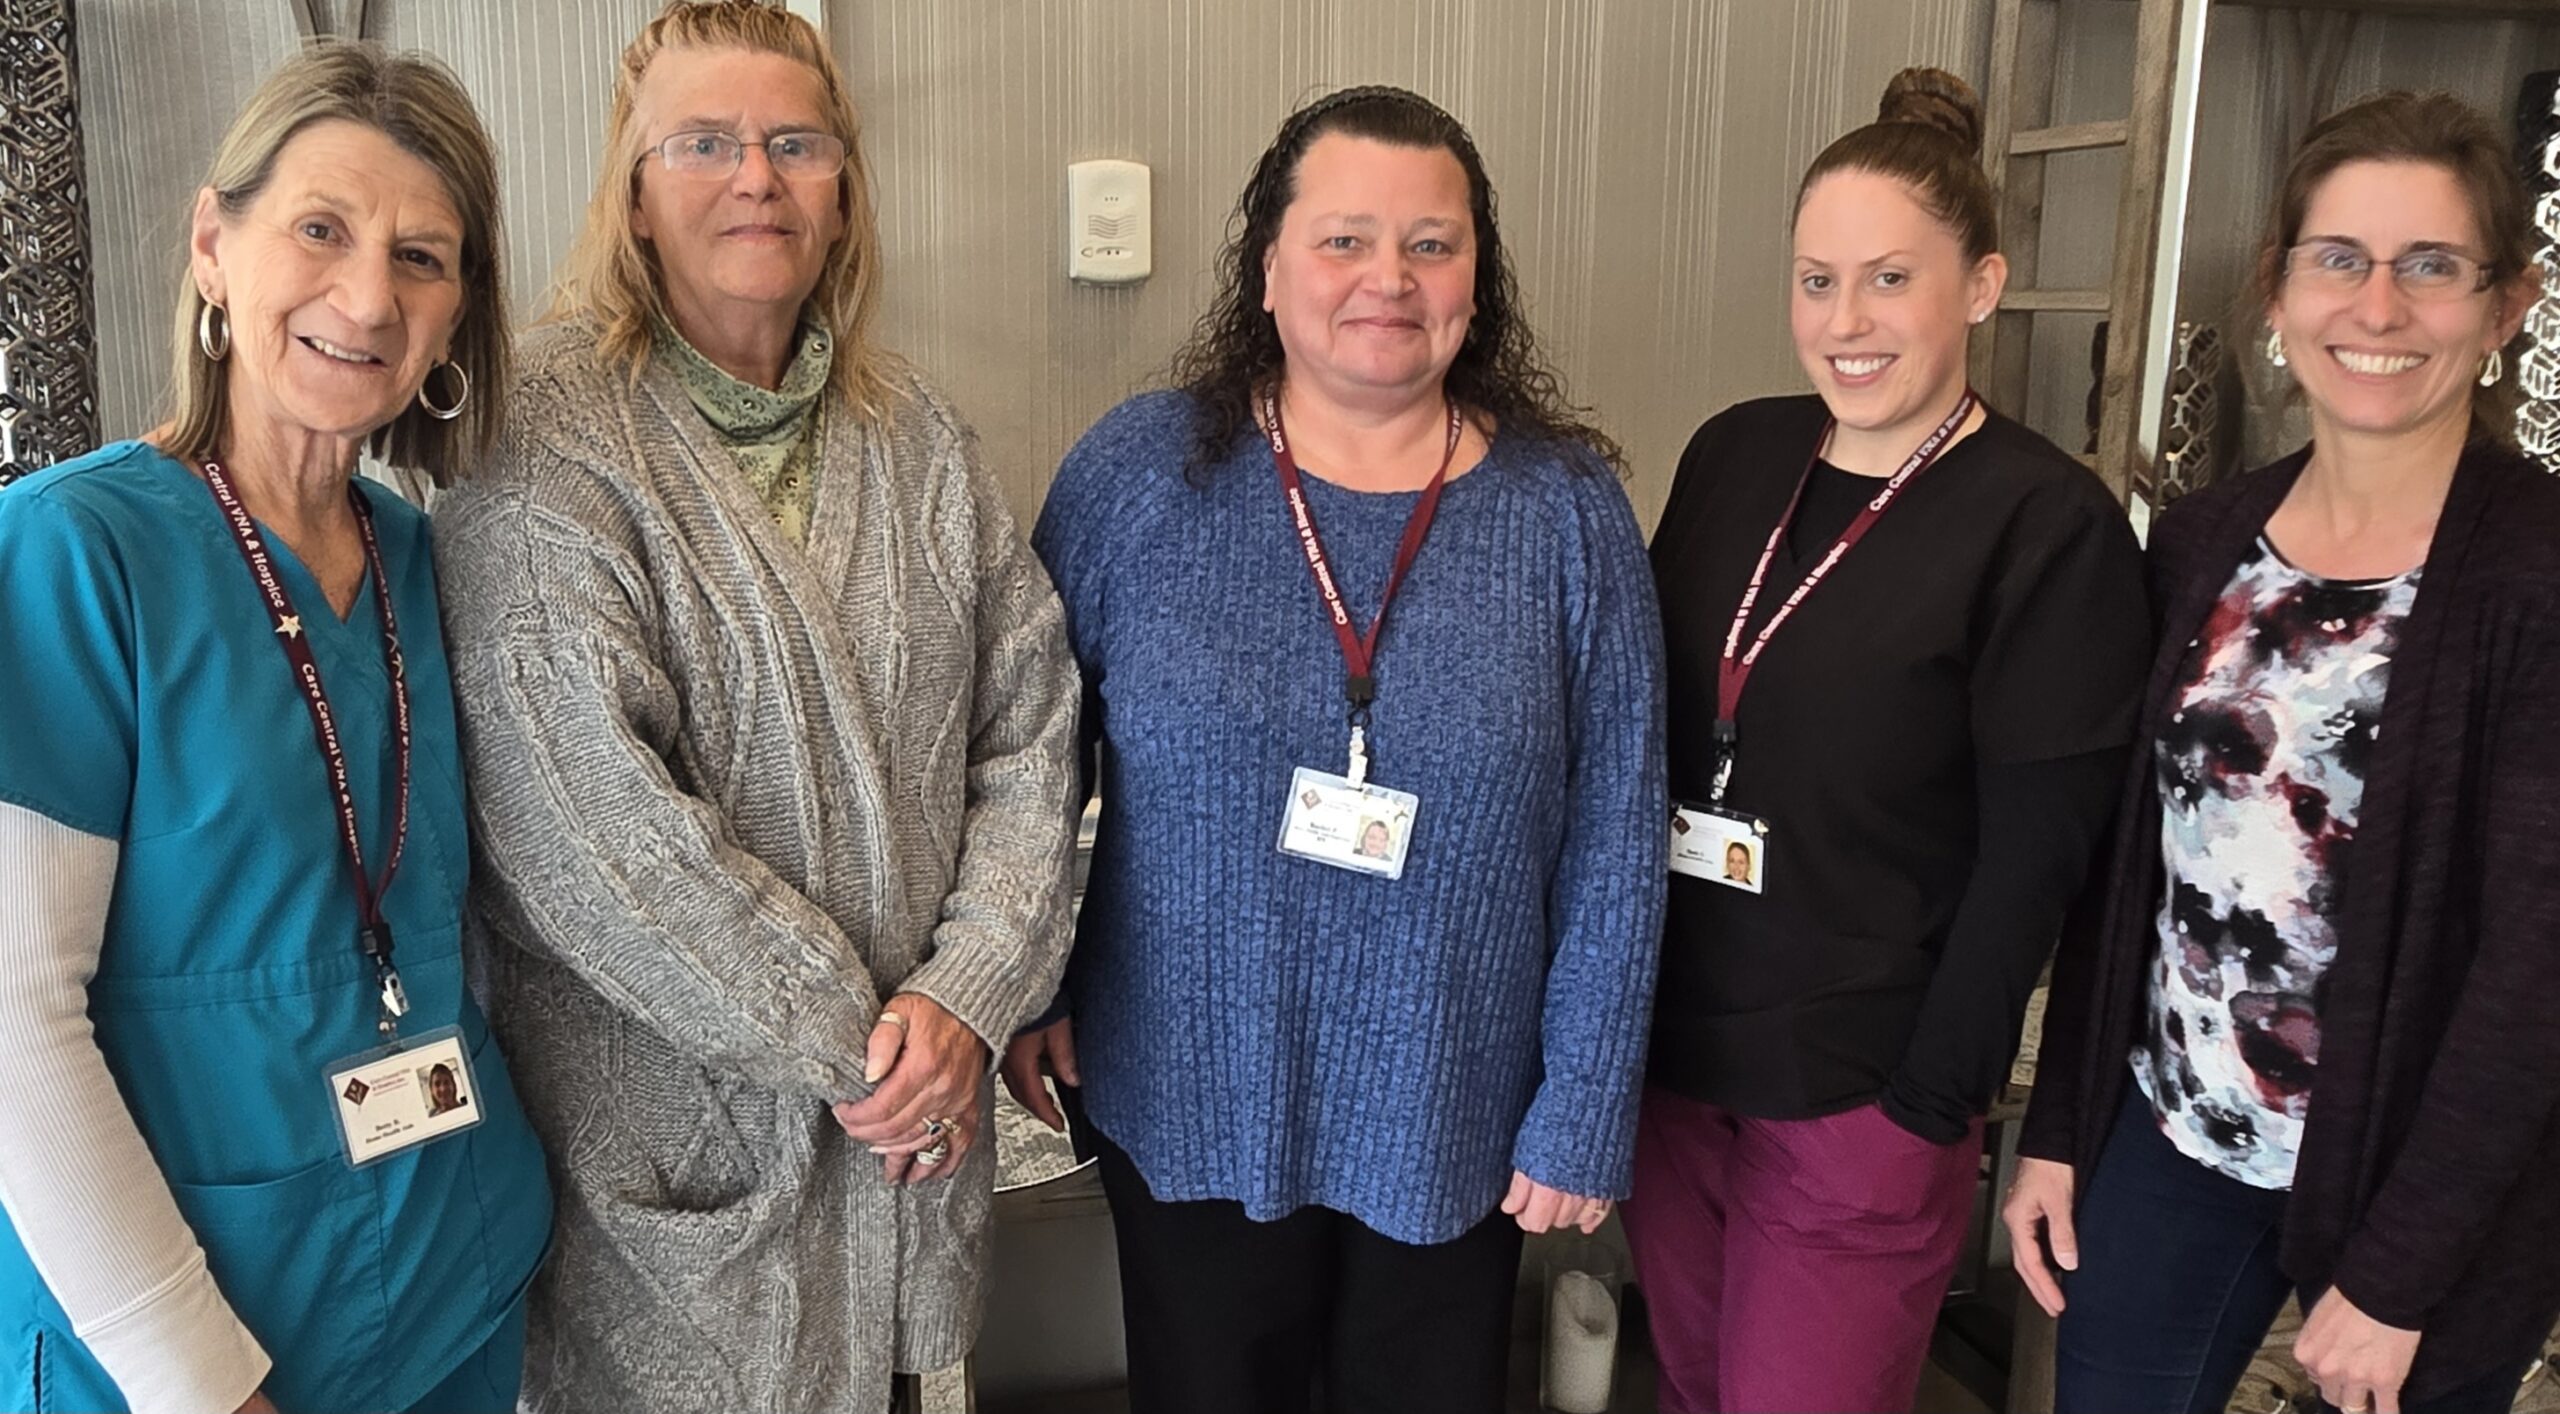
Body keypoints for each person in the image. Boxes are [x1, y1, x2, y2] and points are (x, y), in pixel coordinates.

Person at [432, 5, 1080, 1412]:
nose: (756, 179)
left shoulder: (917, 437)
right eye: (704, 144)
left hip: (905, 1164)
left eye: (796, 144)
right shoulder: (540, 441)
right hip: (684, 1185)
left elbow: (1030, 730)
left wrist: (964, 997)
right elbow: (585, 827)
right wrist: (876, 1054)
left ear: (844, 190)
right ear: (634, 194)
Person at [1009, 85, 1665, 1414]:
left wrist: (1588, 1097)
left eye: (1431, 244)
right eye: (1345, 240)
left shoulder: (1567, 514)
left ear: (1478, 280)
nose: (1390, 279)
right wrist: (1029, 984)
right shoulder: (1139, 477)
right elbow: (1023, 757)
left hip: (1452, 1099)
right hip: (1187, 1077)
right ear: (1268, 269)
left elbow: (1617, 827)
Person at [0, 43, 548, 1414]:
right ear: (212, 245)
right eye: (320, 229)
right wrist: (197, 1382)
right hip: (194, 1341)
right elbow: (11, 1022)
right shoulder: (74, 553)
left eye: (421, 257)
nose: (367, 297)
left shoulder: (425, 557)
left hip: (456, 1286)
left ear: (455, 314)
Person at [2005, 90, 2560, 1414]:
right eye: (2340, 257)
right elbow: (2126, 872)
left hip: (2418, 1183)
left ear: (2507, 307)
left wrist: (2402, 1276)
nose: (2378, 307)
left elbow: (2539, 965)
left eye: (2432, 265)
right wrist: (2063, 1125)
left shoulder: (2537, 573)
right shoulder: (2203, 539)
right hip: (2179, 1132)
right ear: (2280, 286)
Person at [1627, 67, 2149, 1414]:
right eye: (1817, 282)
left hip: (1858, 1085)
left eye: (1890, 280)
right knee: (1688, 1389)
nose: (1845, 322)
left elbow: (2038, 862)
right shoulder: (1736, 454)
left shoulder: (2046, 526)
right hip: (1676, 1061)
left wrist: (1928, 1101)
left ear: (1981, 286)